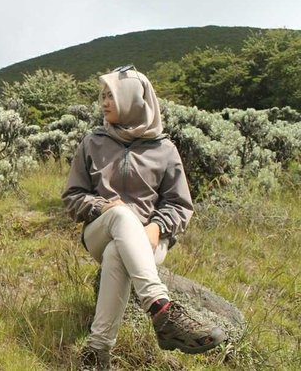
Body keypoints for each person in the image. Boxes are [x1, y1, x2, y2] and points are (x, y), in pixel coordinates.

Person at [62, 65, 225, 370]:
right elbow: (72, 196)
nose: (105, 102)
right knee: (120, 218)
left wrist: (158, 226)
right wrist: (99, 207)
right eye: (103, 96)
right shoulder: (93, 142)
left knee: (116, 254)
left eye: (112, 95)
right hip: (101, 230)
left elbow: (180, 204)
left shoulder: (164, 149)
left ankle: (96, 353)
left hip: (150, 240)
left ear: (134, 100)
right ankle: (162, 310)